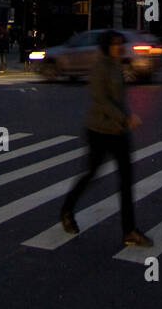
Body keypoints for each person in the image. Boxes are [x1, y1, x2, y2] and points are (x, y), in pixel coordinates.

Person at [60, 30, 151, 246]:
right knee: (90, 174)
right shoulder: (100, 68)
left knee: (126, 180)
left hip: (119, 132)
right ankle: (67, 209)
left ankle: (129, 230)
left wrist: (125, 119)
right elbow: (101, 101)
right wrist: (125, 118)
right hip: (100, 131)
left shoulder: (116, 66)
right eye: (115, 44)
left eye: (120, 43)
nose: (119, 47)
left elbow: (119, 98)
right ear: (106, 46)